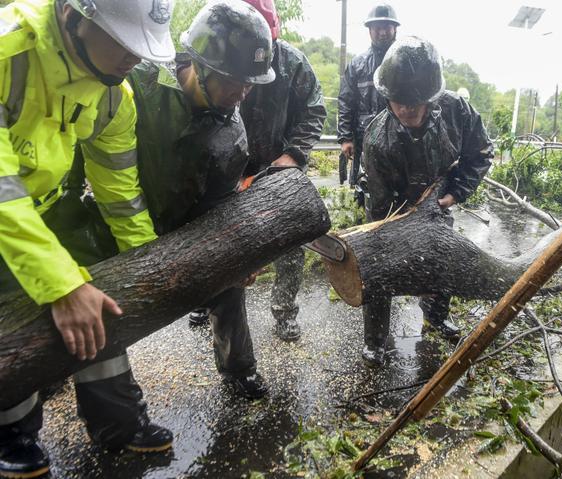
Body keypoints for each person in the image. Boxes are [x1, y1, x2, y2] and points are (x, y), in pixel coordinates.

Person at [0, 0, 175, 476]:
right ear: (75, 16)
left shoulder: (116, 94)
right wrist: (60, 285)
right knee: (12, 300)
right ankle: (12, 429)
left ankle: (118, 418)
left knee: (102, 279)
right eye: (122, 41)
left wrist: (147, 263)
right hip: (5, 208)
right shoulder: (6, 51)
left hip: (45, 205)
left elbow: (119, 191)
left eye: (140, 46)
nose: (133, 57)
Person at [125, 0, 275, 399]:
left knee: (229, 283)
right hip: (125, 208)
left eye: (250, 84)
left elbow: (224, 205)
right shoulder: (142, 81)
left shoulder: (232, 127)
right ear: (198, 64)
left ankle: (238, 368)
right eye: (234, 81)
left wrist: (240, 253)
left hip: (192, 217)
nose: (242, 93)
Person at [189, 0, 326, 343]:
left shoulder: (292, 63)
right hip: (231, 164)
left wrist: (293, 155)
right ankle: (206, 300)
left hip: (279, 166)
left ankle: (284, 311)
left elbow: (315, 110)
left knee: (290, 244)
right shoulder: (215, 56)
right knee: (218, 237)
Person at [360, 36, 494, 367]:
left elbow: (479, 152)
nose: (406, 109)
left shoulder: (456, 110)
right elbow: (377, 203)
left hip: (437, 200)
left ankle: (436, 315)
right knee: (380, 268)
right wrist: (389, 228)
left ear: (431, 99)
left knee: (441, 259)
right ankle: (375, 338)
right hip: (393, 207)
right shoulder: (378, 139)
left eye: (414, 103)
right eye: (399, 102)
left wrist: (455, 192)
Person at [337, 3, 399, 204]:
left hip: (398, 139)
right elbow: (346, 101)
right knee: (362, 189)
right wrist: (345, 138)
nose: (382, 33)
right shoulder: (357, 64)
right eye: (377, 28)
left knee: (396, 188)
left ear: (394, 29)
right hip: (363, 138)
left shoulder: (404, 62)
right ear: (370, 30)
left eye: (386, 27)